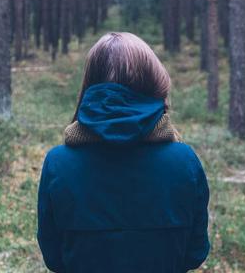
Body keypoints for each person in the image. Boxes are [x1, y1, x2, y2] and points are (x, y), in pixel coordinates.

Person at [37, 32, 210, 273]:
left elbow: (54, 258)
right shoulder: (185, 161)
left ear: (90, 84)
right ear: (153, 83)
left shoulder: (58, 163)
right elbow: (195, 254)